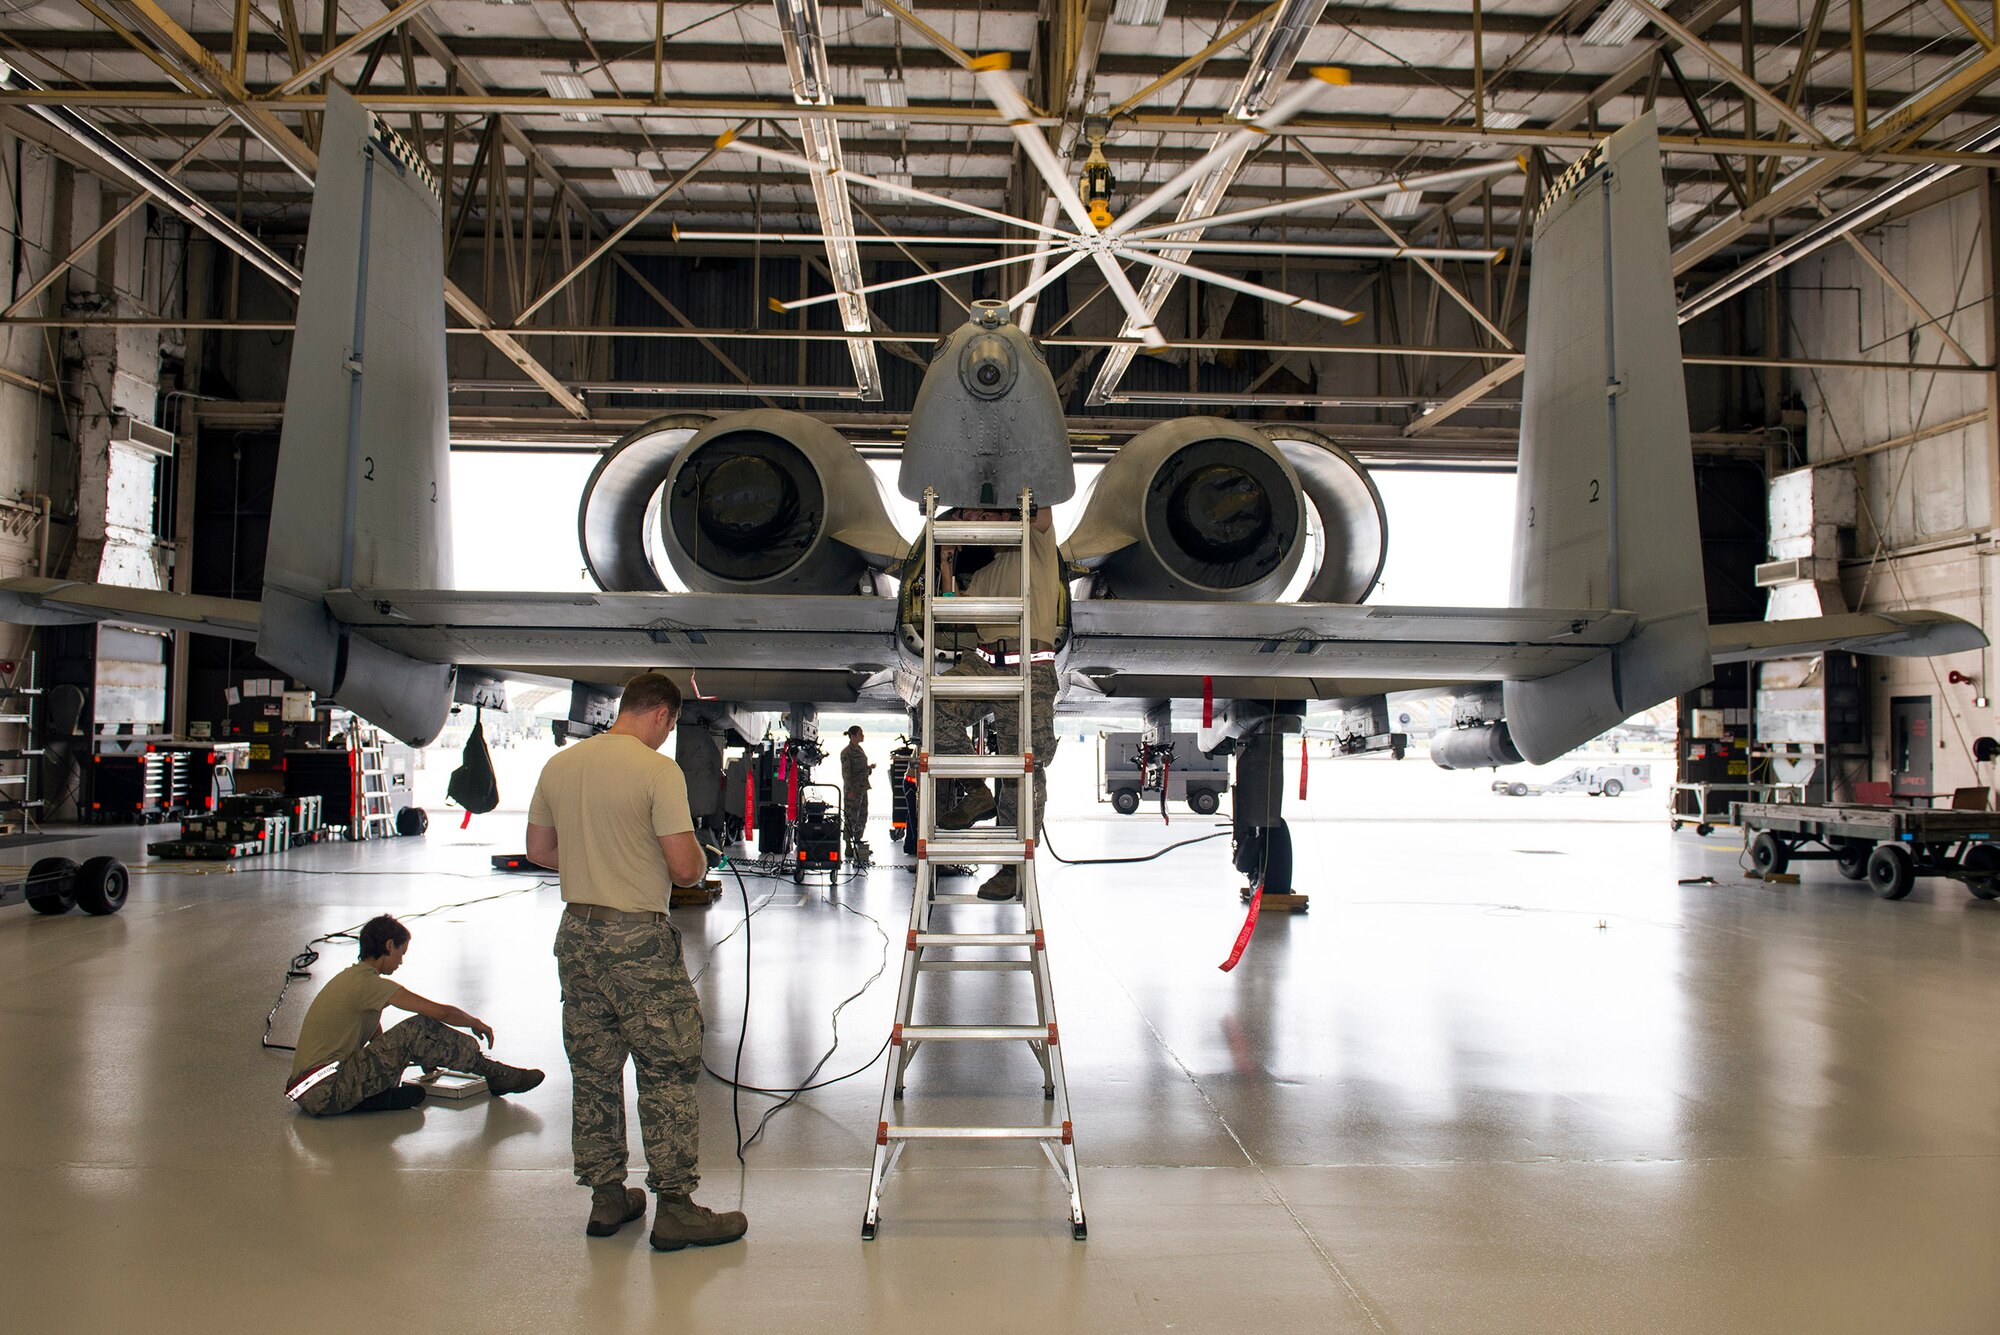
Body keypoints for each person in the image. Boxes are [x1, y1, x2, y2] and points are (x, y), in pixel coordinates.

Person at [525, 670, 747, 1252]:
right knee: (667, 1068)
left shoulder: (561, 766)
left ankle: (607, 1197)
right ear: (664, 717)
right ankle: (675, 1207)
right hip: (636, 941)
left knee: (594, 1068)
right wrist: (697, 857)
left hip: (576, 934)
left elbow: (539, 851)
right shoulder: (657, 770)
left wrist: (596, 858)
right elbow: (684, 869)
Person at [932, 504, 1064, 902]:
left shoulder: (1034, 542)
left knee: (1021, 769)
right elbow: (953, 614)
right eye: (966, 519)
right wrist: (945, 566)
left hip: (1031, 666)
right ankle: (976, 790)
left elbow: (1041, 512)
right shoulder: (986, 574)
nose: (974, 522)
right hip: (985, 660)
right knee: (935, 708)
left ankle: (1012, 868)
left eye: (979, 515)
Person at [284, 914, 543, 1116]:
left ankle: (373, 1100)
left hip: (313, 1090)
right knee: (417, 1028)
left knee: (412, 1048)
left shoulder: (353, 980)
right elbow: (437, 1012)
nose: (401, 962)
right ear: (388, 946)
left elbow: (378, 1043)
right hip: (324, 1090)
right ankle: (494, 1073)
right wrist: (473, 1022)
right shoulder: (368, 984)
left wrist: (424, 1052)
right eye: (401, 953)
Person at [840, 725, 874, 855]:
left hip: (862, 788)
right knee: (850, 816)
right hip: (853, 790)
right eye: (860, 734)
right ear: (853, 736)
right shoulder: (846, 752)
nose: (863, 736)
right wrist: (850, 790)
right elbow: (846, 773)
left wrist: (868, 768)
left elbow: (860, 769)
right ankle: (848, 844)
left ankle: (858, 841)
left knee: (862, 815)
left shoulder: (859, 749)